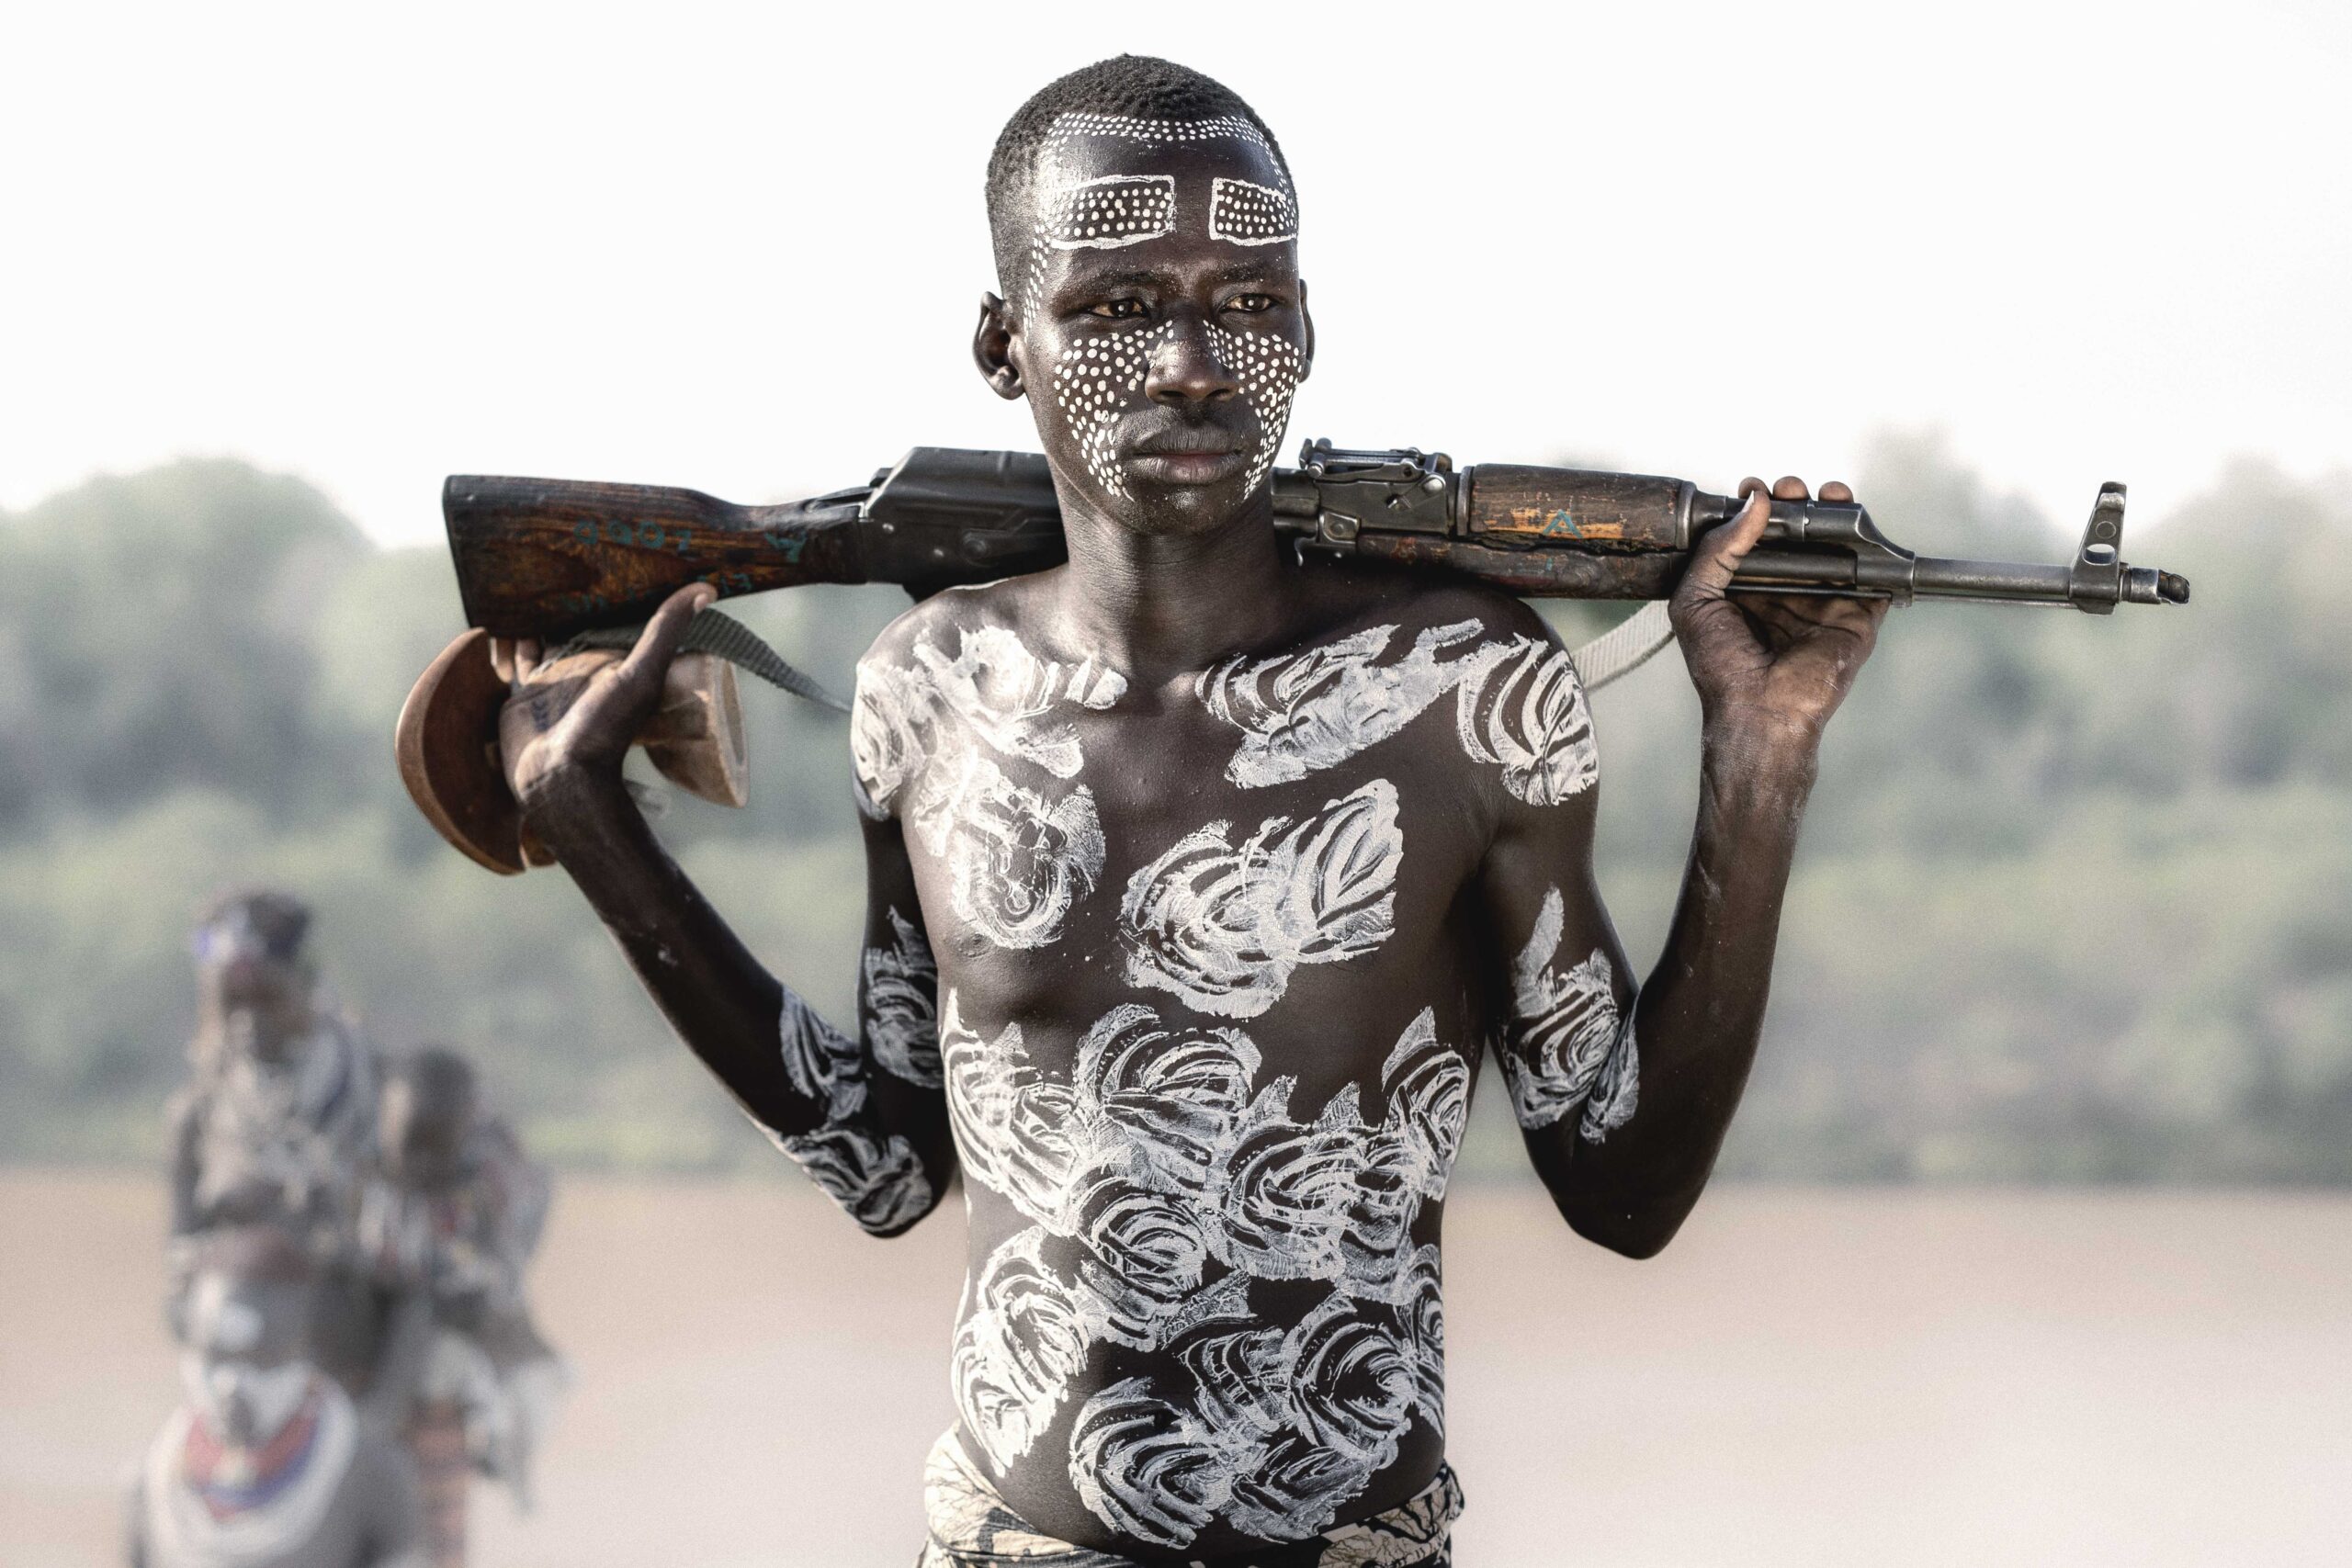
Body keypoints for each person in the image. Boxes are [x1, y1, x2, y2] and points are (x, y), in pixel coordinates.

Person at [490, 55, 1885, 1565]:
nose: (1195, 363)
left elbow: (1623, 1189)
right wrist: (600, 835)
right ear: (999, 341)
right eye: (1116, 306)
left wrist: (1759, 759)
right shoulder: (929, 689)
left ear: (1305, 326)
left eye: (1248, 299)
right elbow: (890, 1164)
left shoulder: (1461, 690)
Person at [357, 1047, 563, 1566]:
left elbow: (498, 1273)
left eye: (436, 1151)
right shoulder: (357, 1164)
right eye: (409, 1147)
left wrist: (459, 1281)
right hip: (369, 1325)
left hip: (450, 1342)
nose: (421, 1165)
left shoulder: (492, 1182)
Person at [126, 1225, 424, 1568]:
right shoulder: (154, 1480)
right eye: (215, 1357)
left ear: (306, 1357)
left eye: (262, 1361)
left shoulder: (370, 1477)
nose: (231, 1384)